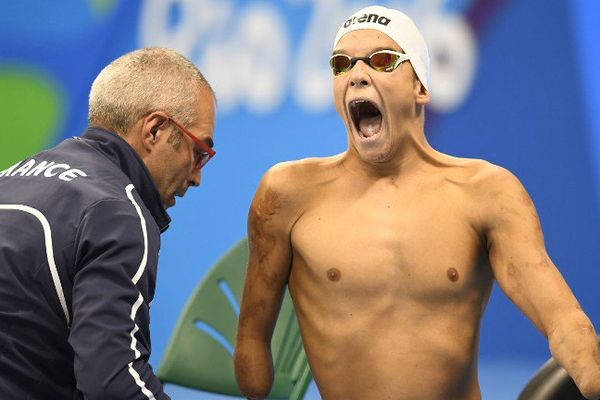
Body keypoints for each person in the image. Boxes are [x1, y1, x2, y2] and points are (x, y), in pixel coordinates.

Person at [234, 5, 600, 400]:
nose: (357, 75)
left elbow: (563, 322)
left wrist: (592, 379)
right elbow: (252, 361)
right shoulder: (287, 194)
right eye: (341, 64)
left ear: (420, 88)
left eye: (381, 61)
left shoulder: (487, 192)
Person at [0, 47, 216, 399]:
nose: (196, 178)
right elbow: (112, 382)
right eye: (199, 152)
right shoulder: (117, 212)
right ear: (155, 130)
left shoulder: (8, 178)